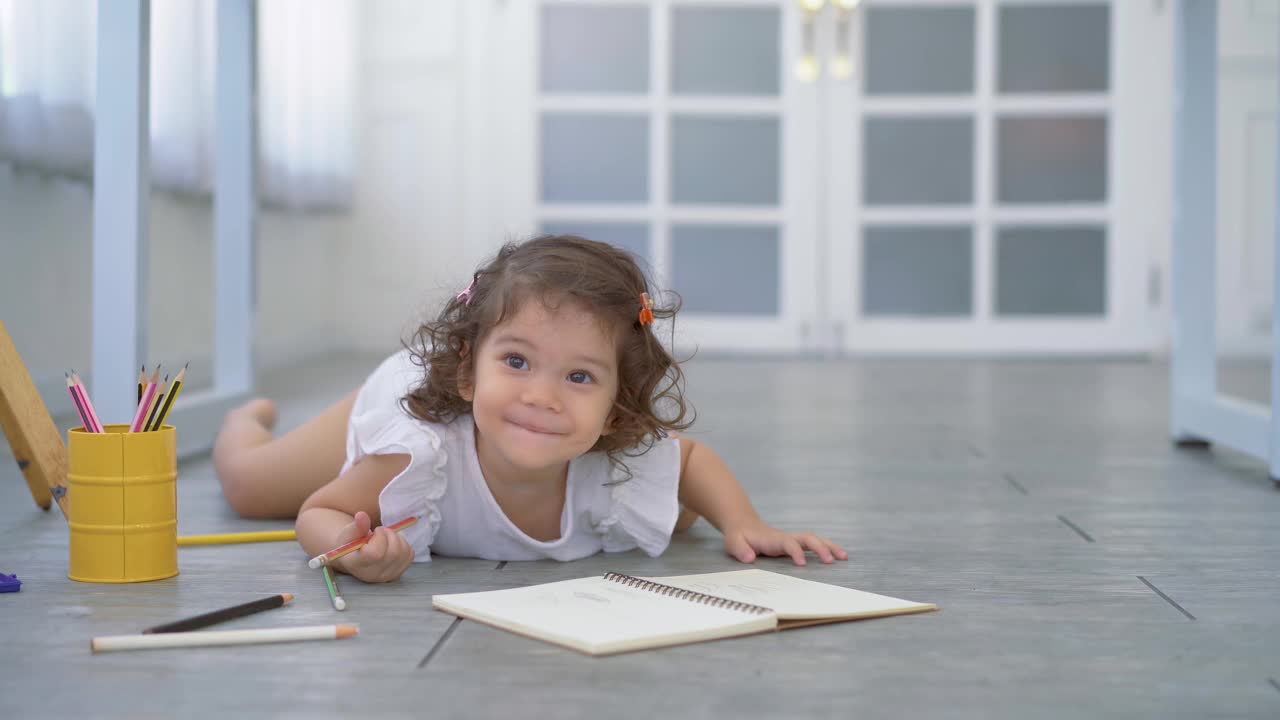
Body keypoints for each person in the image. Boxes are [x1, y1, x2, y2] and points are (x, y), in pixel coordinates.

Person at [213, 235, 847, 582]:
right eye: (516, 361)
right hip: (406, 398)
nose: (541, 395)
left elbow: (689, 460)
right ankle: (245, 421)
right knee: (248, 486)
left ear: (616, 408)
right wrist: (348, 549)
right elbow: (317, 513)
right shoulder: (418, 454)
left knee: (677, 518)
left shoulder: (614, 466)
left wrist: (742, 521)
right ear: (469, 369)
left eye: (578, 376)